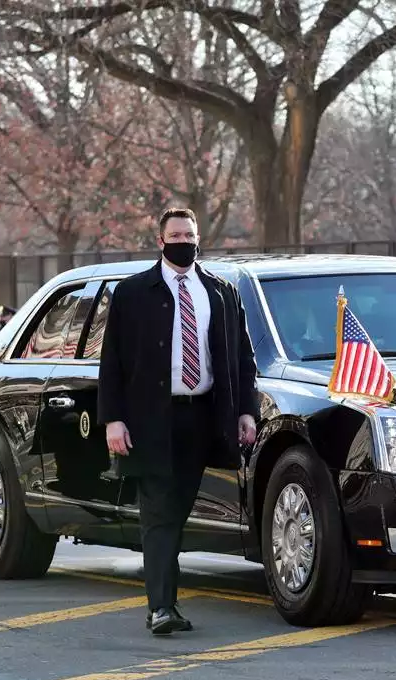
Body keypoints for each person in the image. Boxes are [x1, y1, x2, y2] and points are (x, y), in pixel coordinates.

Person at [97, 208, 259, 635]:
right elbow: (110, 361)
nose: (183, 240)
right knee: (159, 513)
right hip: (152, 421)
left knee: (179, 511)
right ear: (161, 240)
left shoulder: (220, 292)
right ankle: (161, 608)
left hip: (202, 417)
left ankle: (165, 601)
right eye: (175, 235)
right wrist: (113, 420)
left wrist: (246, 410)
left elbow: (242, 358)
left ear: (198, 237)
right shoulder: (133, 293)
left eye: (189, 233)